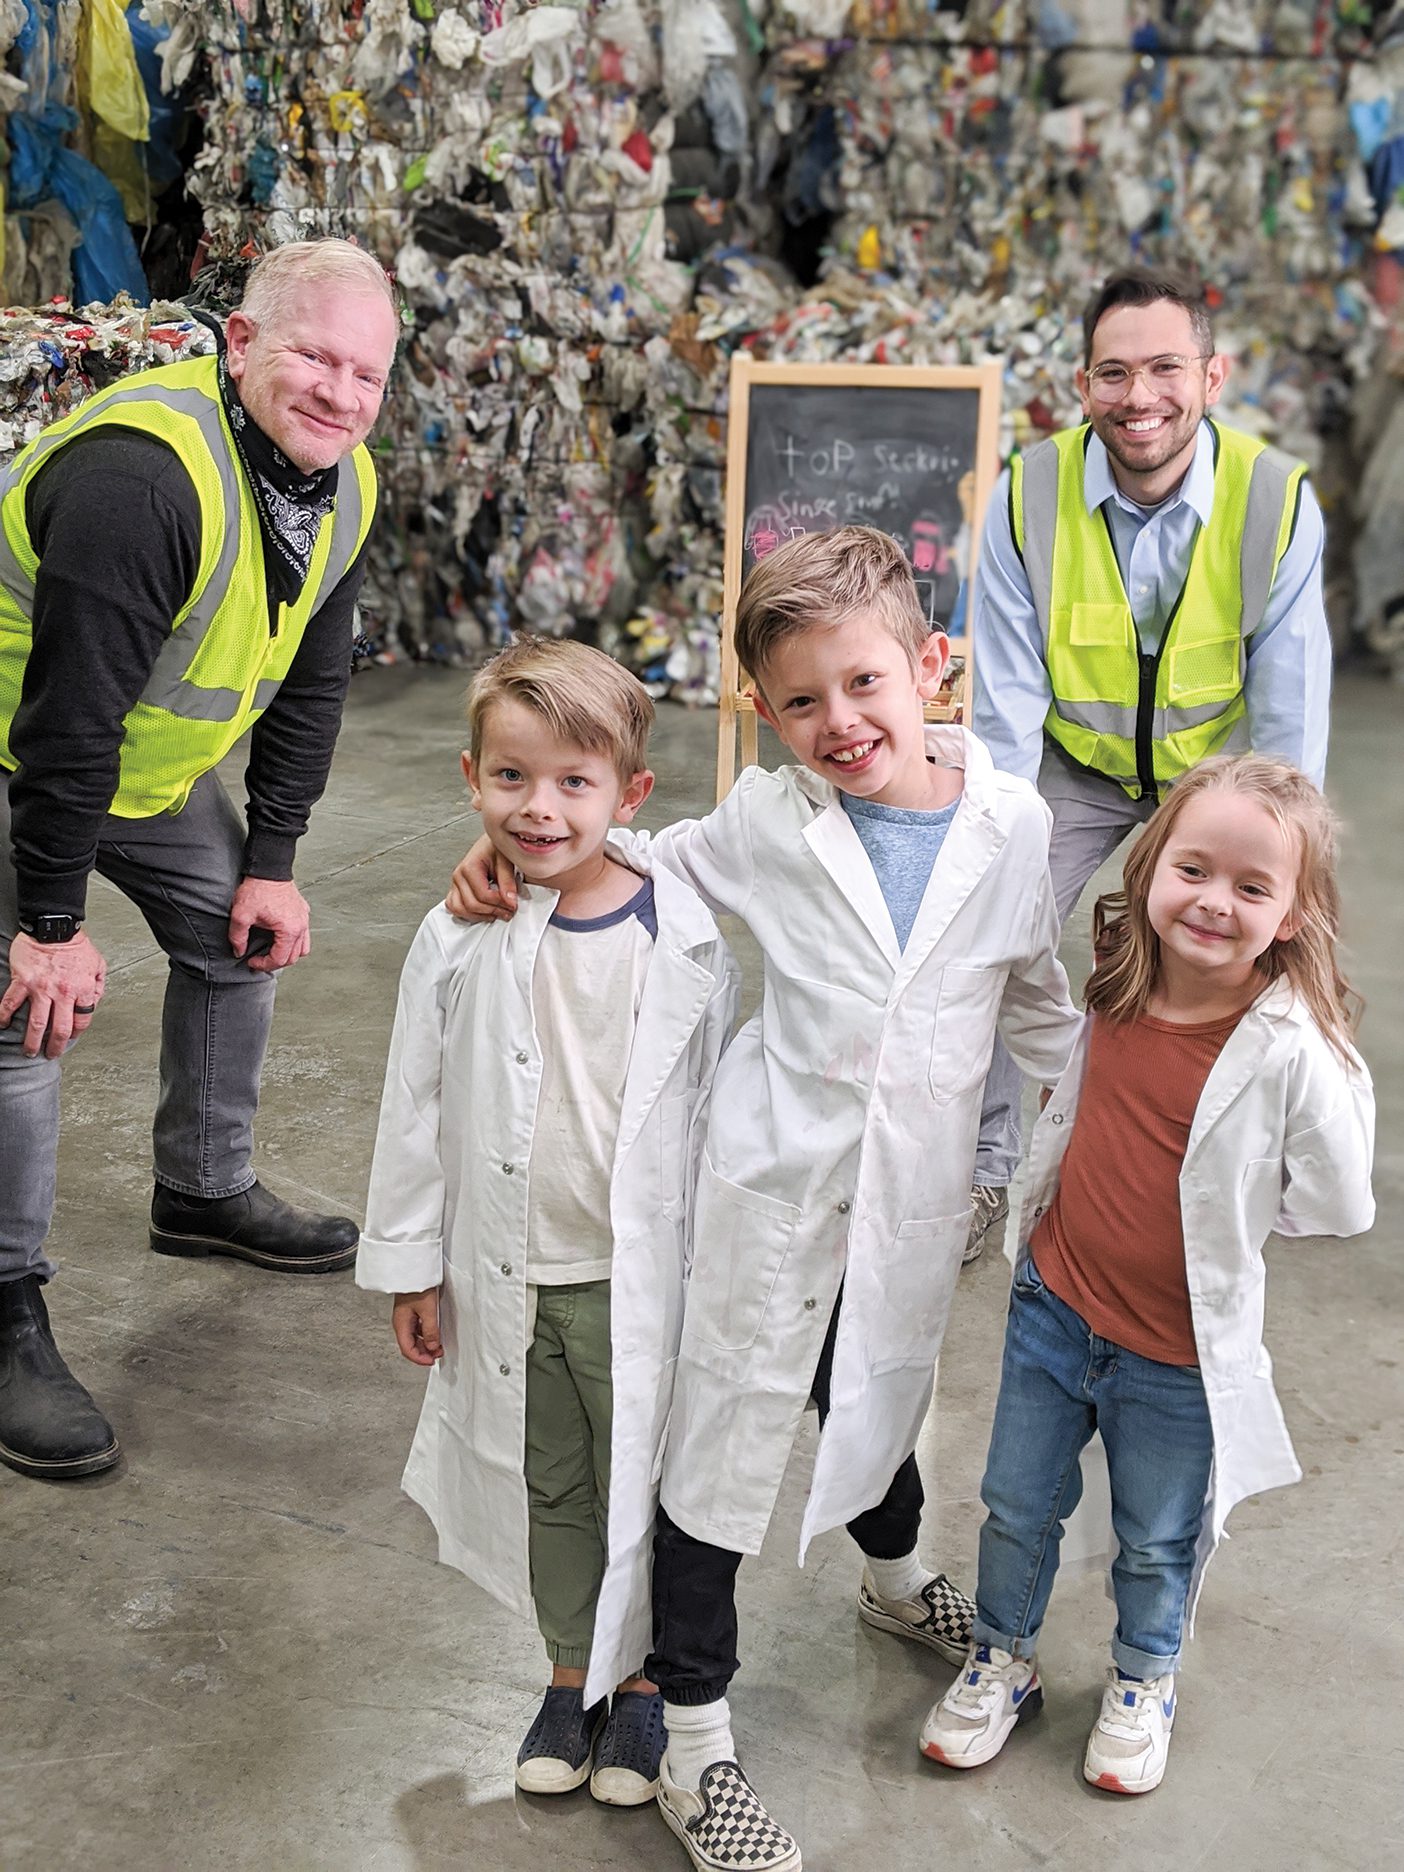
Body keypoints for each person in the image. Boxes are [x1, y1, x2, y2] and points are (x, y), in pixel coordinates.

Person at [449, 526, 1083, 1869]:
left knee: (877, 1399)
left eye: (864, 685)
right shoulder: (767, 822)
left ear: (933, 666)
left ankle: (897, 1577)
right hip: (768, 1190)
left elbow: (1036, 1003)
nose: (837, 722)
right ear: (760, 711)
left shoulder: (1012, 825)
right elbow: (647, 868)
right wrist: (526, 858)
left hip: (907, 1206)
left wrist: (1074, 1156)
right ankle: (695, 1745)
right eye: (799, 701)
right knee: (720, 1457)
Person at [0, 238, 401, 1480]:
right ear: (237, 342)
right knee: (23, 1021)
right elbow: (66, 723)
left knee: (241, 935)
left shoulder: (343, 480)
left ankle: (203, 1191)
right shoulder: (143, 478)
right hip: (23, 751)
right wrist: (52, 927)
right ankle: (7, 1304)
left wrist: (272, 857)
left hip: (137, 768)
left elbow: (312, 682)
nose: (340, 393)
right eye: (313, 356)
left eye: (367, 372)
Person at [920, 756, 1374, 1795]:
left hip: (1176, 1353)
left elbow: (1342, 1201)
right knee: (1013, 1503)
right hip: (1053, 1303)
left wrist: (1238, 1212)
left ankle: (1142, 1678)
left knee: (1155, 1535)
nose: (1215, 902)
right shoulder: (1120, 973)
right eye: (1194, 868)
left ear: (1296, 914)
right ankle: (1003, 1658)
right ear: (1151, 862)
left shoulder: (1295, 1048)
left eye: (1253, 888)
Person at [358, 640, 738, 1805]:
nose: (540, 808)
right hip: (513, 1274)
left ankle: (640, 1691)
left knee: (648, 1487)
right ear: (472, 779)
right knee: (555, 1488)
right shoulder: (457, 932)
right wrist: (412, 1267)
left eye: (575, 782)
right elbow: (413, 1104)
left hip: (637, 1280)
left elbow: (719, 1111)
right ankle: (569, 1673)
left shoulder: (680, 934)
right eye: (512, 779)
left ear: (630, 796)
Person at [965, 267, 1332, 1265]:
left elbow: (1292, 723)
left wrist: (1273, 862)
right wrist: (995, 852)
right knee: (988, 927)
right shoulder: (1027, 495)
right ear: (1083, 385)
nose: (1142, 398)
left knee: (1247, 935)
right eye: (1115, 373)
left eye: (1167, 368)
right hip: (1068, 764)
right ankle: (984, 1170)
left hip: (1210, 777)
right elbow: (1001, 712)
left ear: (1213, 377)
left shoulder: (1274, 501)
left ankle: (1234, 1162)